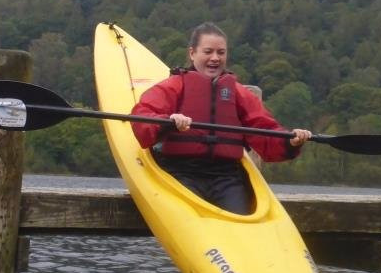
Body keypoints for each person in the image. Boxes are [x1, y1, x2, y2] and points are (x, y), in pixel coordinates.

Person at [130, 22, 312, 215]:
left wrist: (290, 141)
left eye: (221, 52)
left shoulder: (239, 93)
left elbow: (264, 129)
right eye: (208, 52)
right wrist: (168, 122)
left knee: (242, 217)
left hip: (226, 177)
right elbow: (143, 117)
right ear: (192, 53)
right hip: (181, 172)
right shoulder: (173, 87)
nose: (215, 58)